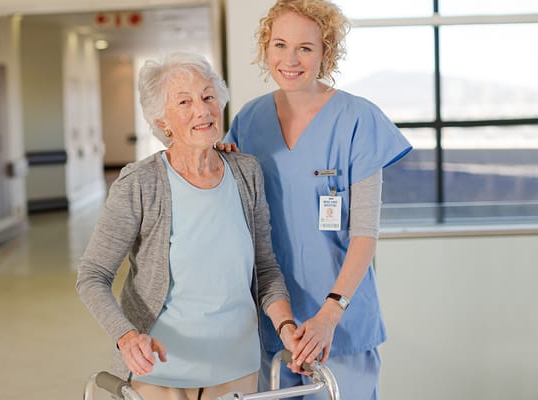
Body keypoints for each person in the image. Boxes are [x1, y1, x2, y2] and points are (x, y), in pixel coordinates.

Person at [76, 52, 299, 400]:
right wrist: (126, 336)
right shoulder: (140, 183)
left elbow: (266, 270)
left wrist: (286, 326)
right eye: (184, 101)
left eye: (208, 96)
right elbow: (92, 275)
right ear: (162, 120)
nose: (202, 110)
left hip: (236, 368)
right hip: (159, 371)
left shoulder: (247, 172)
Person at [221, 1, 413, 398]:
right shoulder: (248, 120)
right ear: (265, 48)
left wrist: (329, 315)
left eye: (305, 48)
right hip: (274, 322)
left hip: (339, 324)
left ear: (326, 52)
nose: (290, 59)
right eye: (279, 44)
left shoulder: (358, 120)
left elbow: (365, 234)